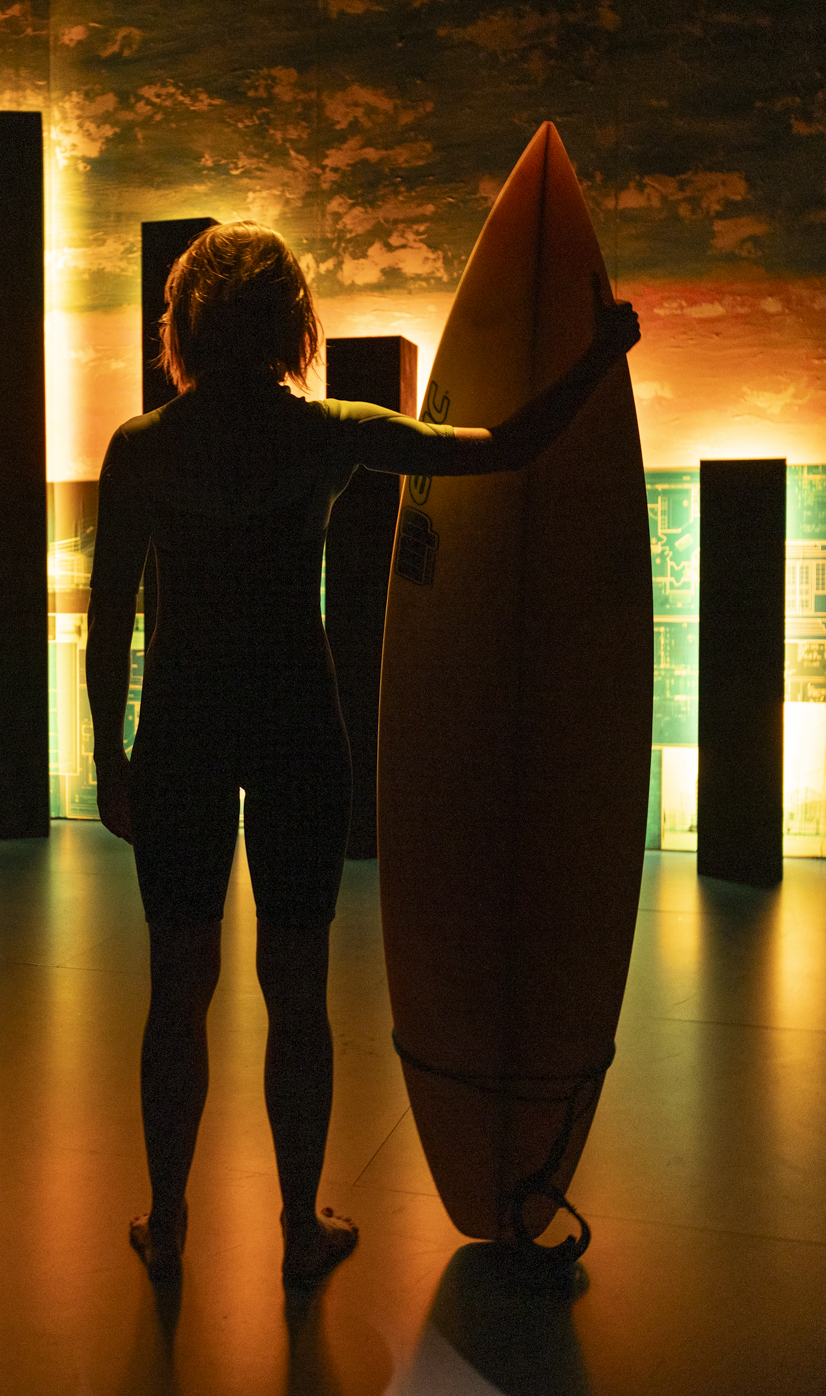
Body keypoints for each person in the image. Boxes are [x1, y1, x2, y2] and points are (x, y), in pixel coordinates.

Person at [85, 221, 640, 1288]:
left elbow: (112, 624)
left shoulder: (143, 449)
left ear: (186, 324)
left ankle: (168, 1223)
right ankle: (298, 1227)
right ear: (291, 323)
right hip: (300, 734)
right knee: (298, 991)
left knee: (176, 988)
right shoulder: (325, 434)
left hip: (183, 739)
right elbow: (507, 446)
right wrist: (599, 354)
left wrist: (113, 760)